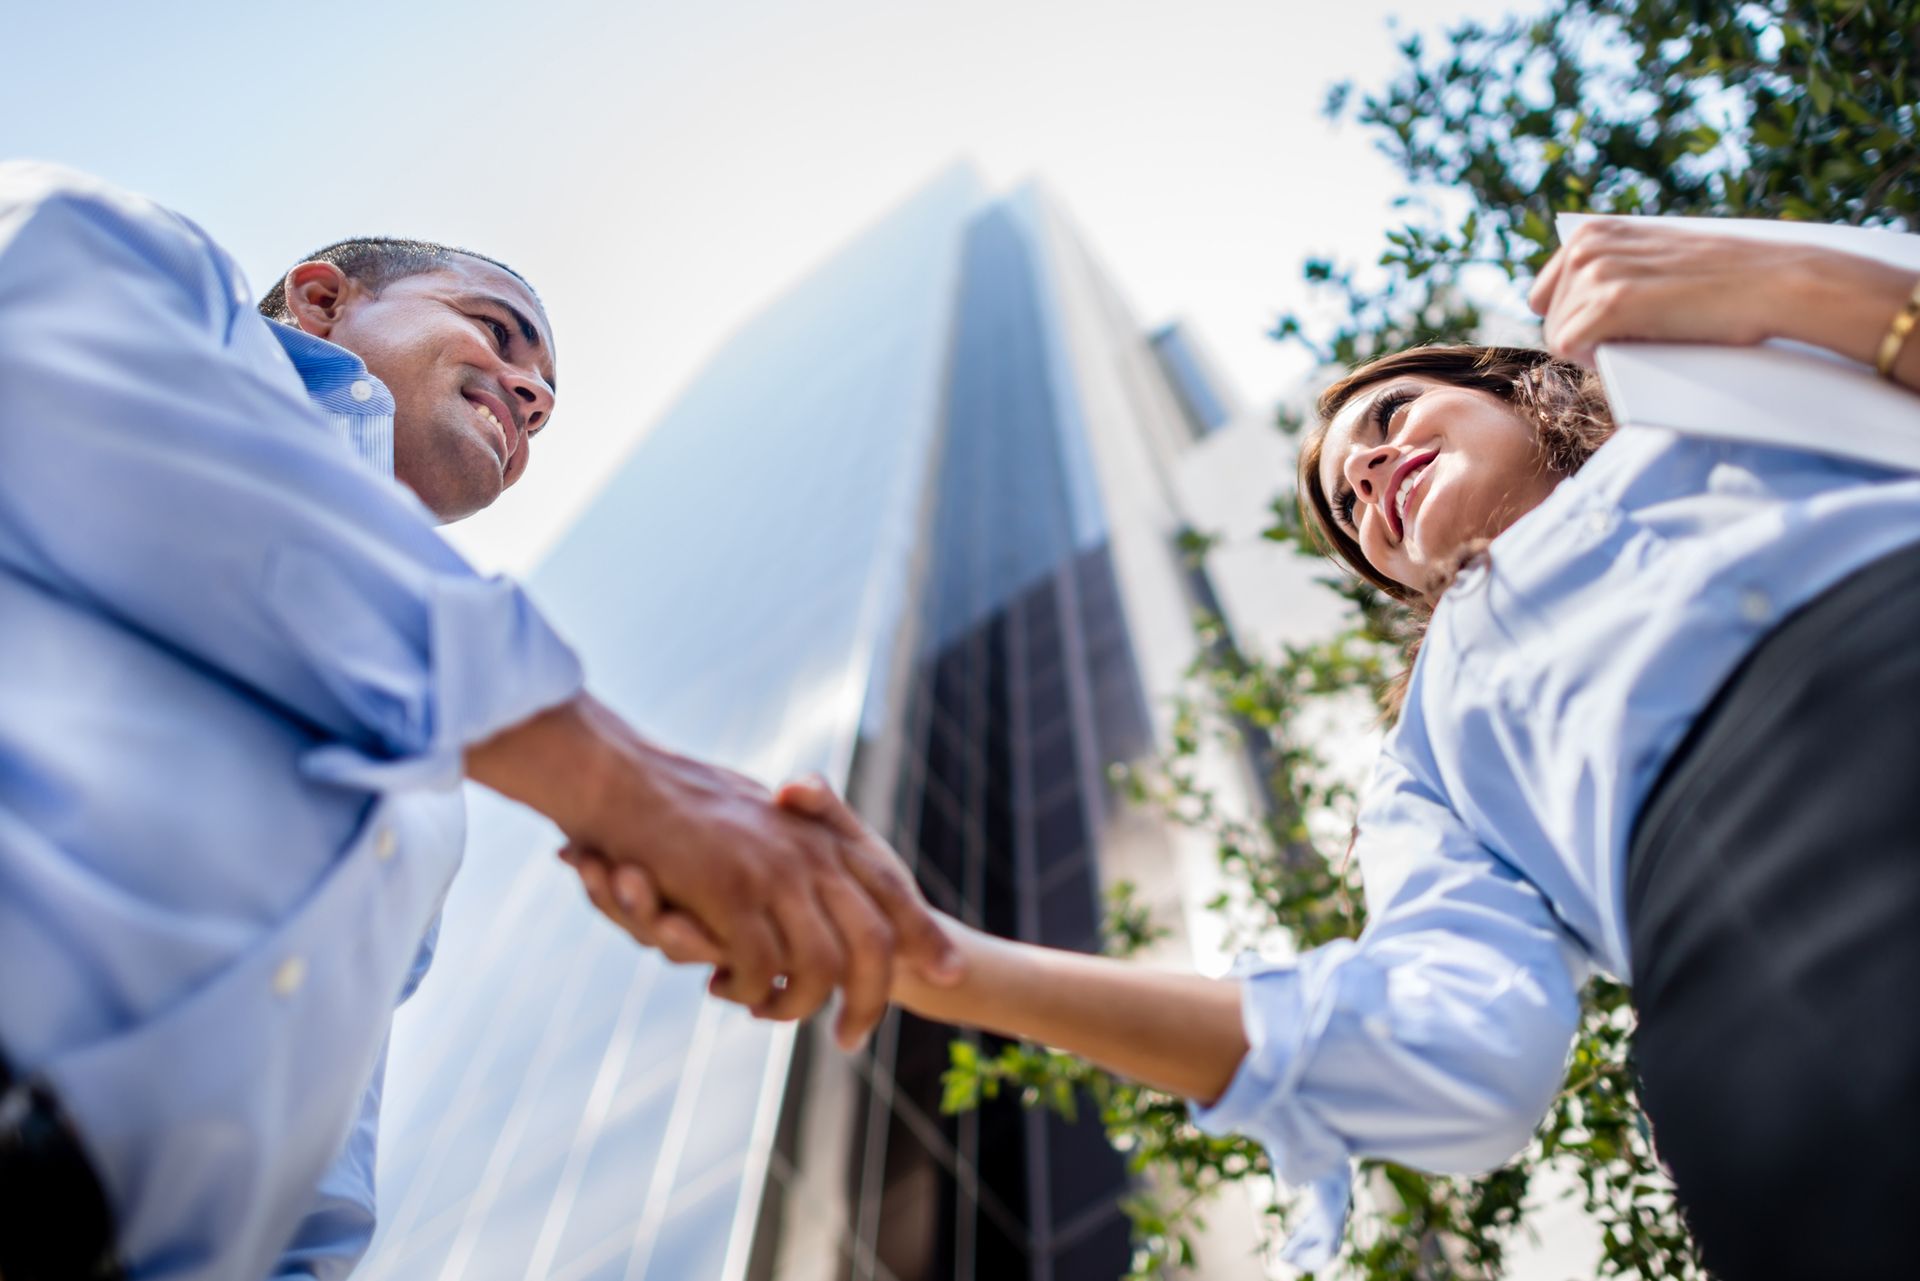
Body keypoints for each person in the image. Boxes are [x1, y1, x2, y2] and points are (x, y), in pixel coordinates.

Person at [587, 219, 1920, 1280]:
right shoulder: (1435, 759)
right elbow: (1455, 1055)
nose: (1371, 472)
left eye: (1395, 416)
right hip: (1774, 986)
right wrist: (950, 963)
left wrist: (1805, 280)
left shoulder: (1726, 376)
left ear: (1519, 384)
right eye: (1352, 501)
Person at [0, 162, 960, 1281]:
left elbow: (324, 1109)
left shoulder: (426, 796)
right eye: (499, 334)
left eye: (545, 395)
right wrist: (622, 784)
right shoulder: (135, 266)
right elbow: (50, 354)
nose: (533, 394)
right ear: (321, 303)